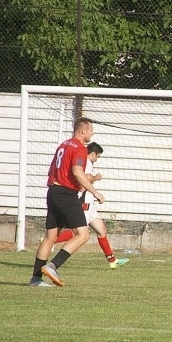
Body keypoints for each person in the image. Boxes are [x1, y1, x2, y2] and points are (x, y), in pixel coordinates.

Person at [28, 117, 105, 287]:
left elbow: (53, 170)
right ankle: (52, 266)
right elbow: (77, 172)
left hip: (53, 191)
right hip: (66, 193)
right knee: (83, 234)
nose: (92, 133)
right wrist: (94, 192)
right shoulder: (79, 148)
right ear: (83, 131)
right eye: (91, 130)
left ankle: (35, 279)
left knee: (50, 237)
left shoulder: (63, 145)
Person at [53, 142, 128, 269]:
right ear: (93, 154)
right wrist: (96, 177)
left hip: (90, 202)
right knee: (80, 232)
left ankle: (112, 260)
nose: (97, 159)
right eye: (97, 156)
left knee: (102, 230)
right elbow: (86, 178)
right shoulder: (86, 162)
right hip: (84, 202)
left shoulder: (87, 162)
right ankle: (50, 239)